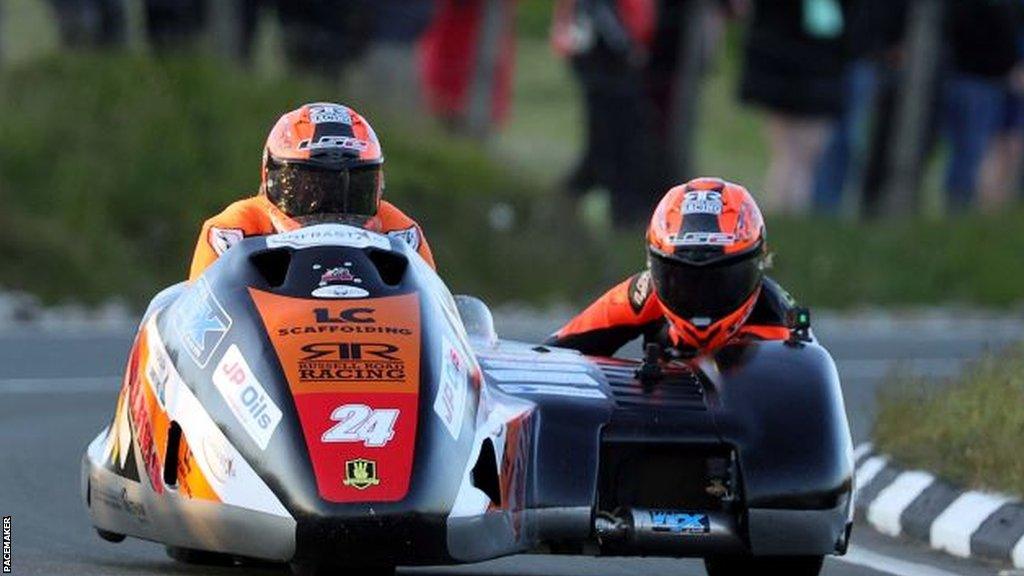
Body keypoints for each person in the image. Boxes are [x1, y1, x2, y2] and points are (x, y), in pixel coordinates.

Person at [545, 177, 797, 356]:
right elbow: (554, 352)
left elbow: (812, 409)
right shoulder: (643, 294)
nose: (701, 297)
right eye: (683, 280)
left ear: (756, 266)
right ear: (655, 268)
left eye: (719, 281)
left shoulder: (781, 320)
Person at [188, 102, 435, 280]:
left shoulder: (401, 233)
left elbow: (435, 314)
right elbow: (200, 320)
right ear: (270, 176)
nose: (329, 205)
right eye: (311, 188)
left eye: (350, 187)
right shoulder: (234, 230)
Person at [739, 0, 852, 215]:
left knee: (791, 157)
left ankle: (782, 213)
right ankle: (786, 214)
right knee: (796, 159)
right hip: (810, 74)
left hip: (795, 73)